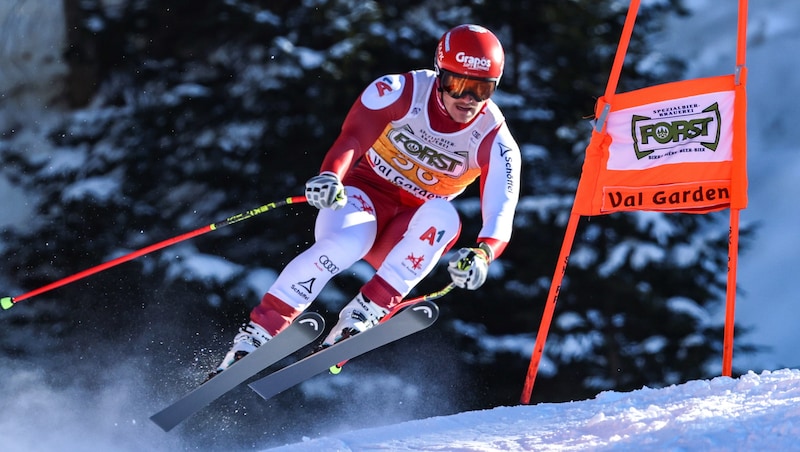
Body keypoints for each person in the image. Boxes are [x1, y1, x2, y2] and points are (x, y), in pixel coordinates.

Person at [212, 24, 521, 376]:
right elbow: (353, 137)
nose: (468, 100)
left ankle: (363, 314)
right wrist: (331, 175)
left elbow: (501, 208)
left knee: (445, 216)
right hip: (364, 197)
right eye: (457, 85)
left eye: (482, 89)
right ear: (439, 74)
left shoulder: (495, 137)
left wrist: (483, 253)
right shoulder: (400, 91)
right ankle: (255, 338)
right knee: (346, 244)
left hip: (407, 230)